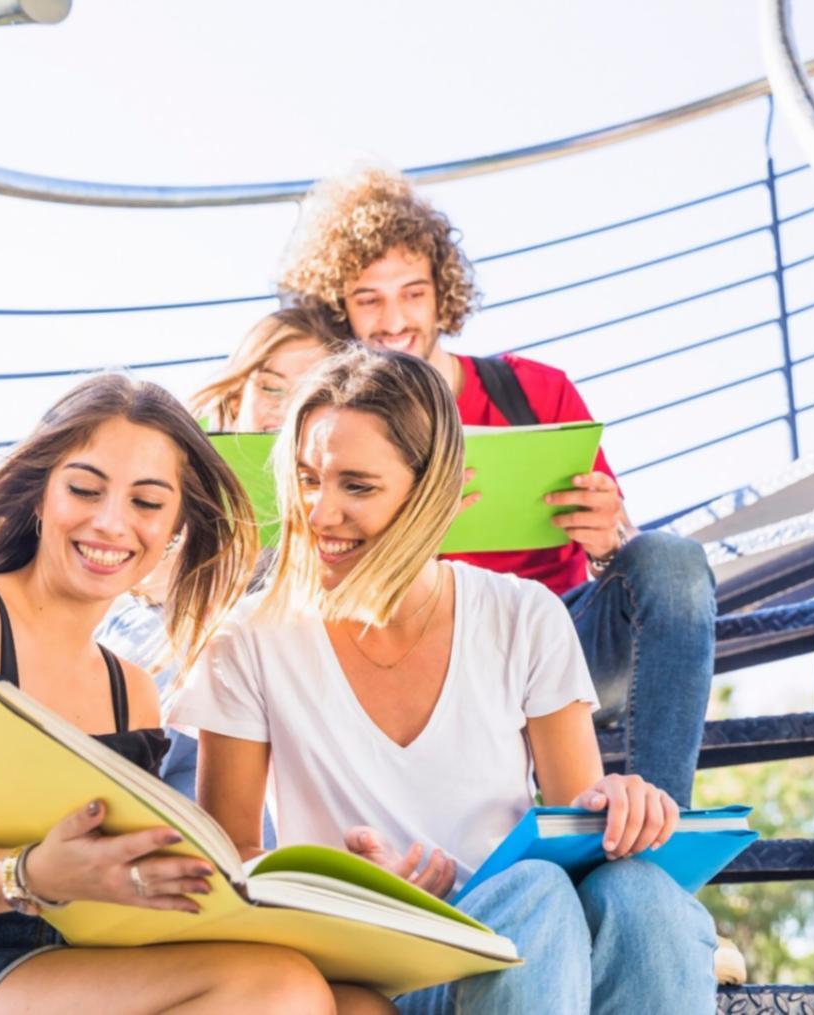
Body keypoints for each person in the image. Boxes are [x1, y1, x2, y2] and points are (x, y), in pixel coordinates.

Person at [0, 373, 388, 1014]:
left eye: (147, 503)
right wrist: (30, 874)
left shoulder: (133, 692)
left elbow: (119, 890)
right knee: (277, 989)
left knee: (360, 1005)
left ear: (176, 526)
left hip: (59, 956)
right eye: (85, 489)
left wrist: (321, 895)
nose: (112, 523)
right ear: (39, 495)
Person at [173, 347, 718, 1014]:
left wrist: (622, 803)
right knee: (535, 897)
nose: (318, 513)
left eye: (357, 486)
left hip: (531, 950)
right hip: (382, 959)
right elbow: (231, 862)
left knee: (643, 895)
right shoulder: (249, 638)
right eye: (307, 478)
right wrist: (341, 886)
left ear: (432, 490)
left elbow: (574, 819)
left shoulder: (523, 614)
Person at [276, 167, 715, 810]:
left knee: (672, 560)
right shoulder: (329, 431)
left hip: (561, 644)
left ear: (442, 294)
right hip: (425, 660)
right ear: (340, 308)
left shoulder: (535, 391)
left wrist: (607, 541)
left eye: (412, 294)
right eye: (369, 299)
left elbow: (628, 563)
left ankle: (660, 819)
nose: (393, 321)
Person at [97, 305, 346, 801]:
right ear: (237, 397)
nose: (283, 410)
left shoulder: (341, 506)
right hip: (164, 647)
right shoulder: (176, 466)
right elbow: (133, 582)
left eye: (306, 397)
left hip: (265, 690)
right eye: (270, 388)